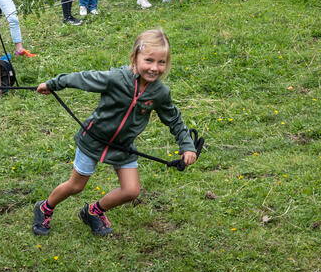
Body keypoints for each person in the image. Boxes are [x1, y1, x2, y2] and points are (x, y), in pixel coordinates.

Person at [31, 29, 197, 236]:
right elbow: (82, 79)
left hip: (123, 146)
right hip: (93, 140)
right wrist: (53, 84)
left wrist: (187, 145)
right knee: (76, 186)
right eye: (149, 60)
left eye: (161, 62)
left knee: (131, 191)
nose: (155, 68)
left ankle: (93, 212)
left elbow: (173, 118)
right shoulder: (115, 78)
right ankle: (44, 207)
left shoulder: (160, 93)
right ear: (134, 58)